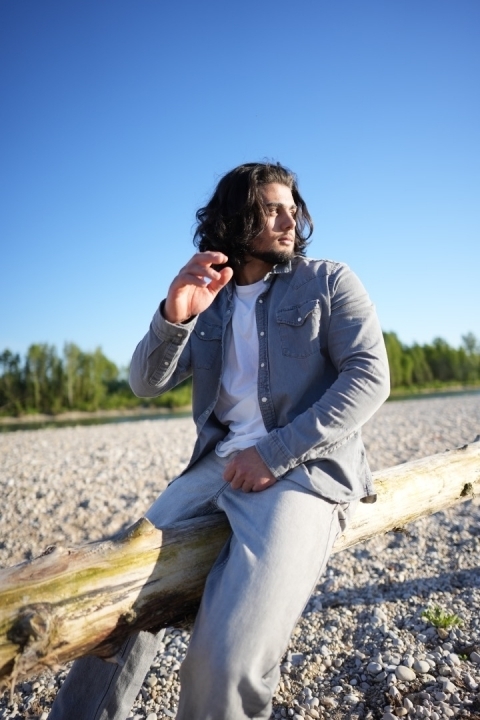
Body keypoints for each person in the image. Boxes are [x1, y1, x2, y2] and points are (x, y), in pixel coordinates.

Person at [49, 162, 390, 720]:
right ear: (236, 218)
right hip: (215, 467)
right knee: (113, 599)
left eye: (292, 209)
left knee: (225, 663)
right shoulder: (214, 297)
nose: (290, 221)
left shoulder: (328, 281)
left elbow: (370, 378)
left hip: (305, 472)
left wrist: (274, 453)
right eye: (272, 210)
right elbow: (144, 382)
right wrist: (174, 315)